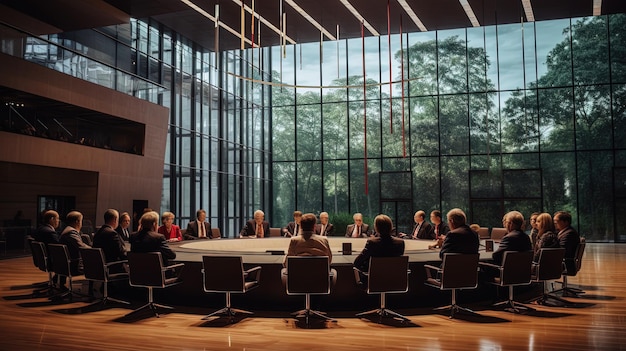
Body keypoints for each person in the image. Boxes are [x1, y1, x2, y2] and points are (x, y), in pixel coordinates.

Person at [281, 213, 336, 285]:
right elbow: (329, 261)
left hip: (298, 283)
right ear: (314, 227)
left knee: (283, 271)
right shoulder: (324, 240)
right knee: (334, 272)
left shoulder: (294, 240)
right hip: (320, 283)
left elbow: (286, 263)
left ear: (301, 226)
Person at [353, 214, 405, 279]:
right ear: (391, 227)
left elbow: (357, 262)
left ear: (376, 228)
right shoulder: (400, 243)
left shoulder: (372, 242)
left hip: (374, 281)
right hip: (395, 281)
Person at [58, 211, 90, 286]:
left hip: (66, 264)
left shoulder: (67, 230)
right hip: (74, 266)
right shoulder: (71, 232)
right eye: (81, 221)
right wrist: (94, 249)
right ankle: (92, 291)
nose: (81, 224)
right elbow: (81, 247)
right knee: (98, 264)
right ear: (77, 222)